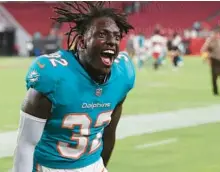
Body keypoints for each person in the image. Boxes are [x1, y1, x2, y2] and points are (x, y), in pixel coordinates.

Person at [12, 2, 135, 172]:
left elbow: (109, 133)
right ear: (82, 42)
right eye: (103, 34)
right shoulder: (53, 76)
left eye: (116, 36)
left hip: (93, 164)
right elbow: (26, 144)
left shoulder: (123, 74)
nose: (111, 42)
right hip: (49, 167)